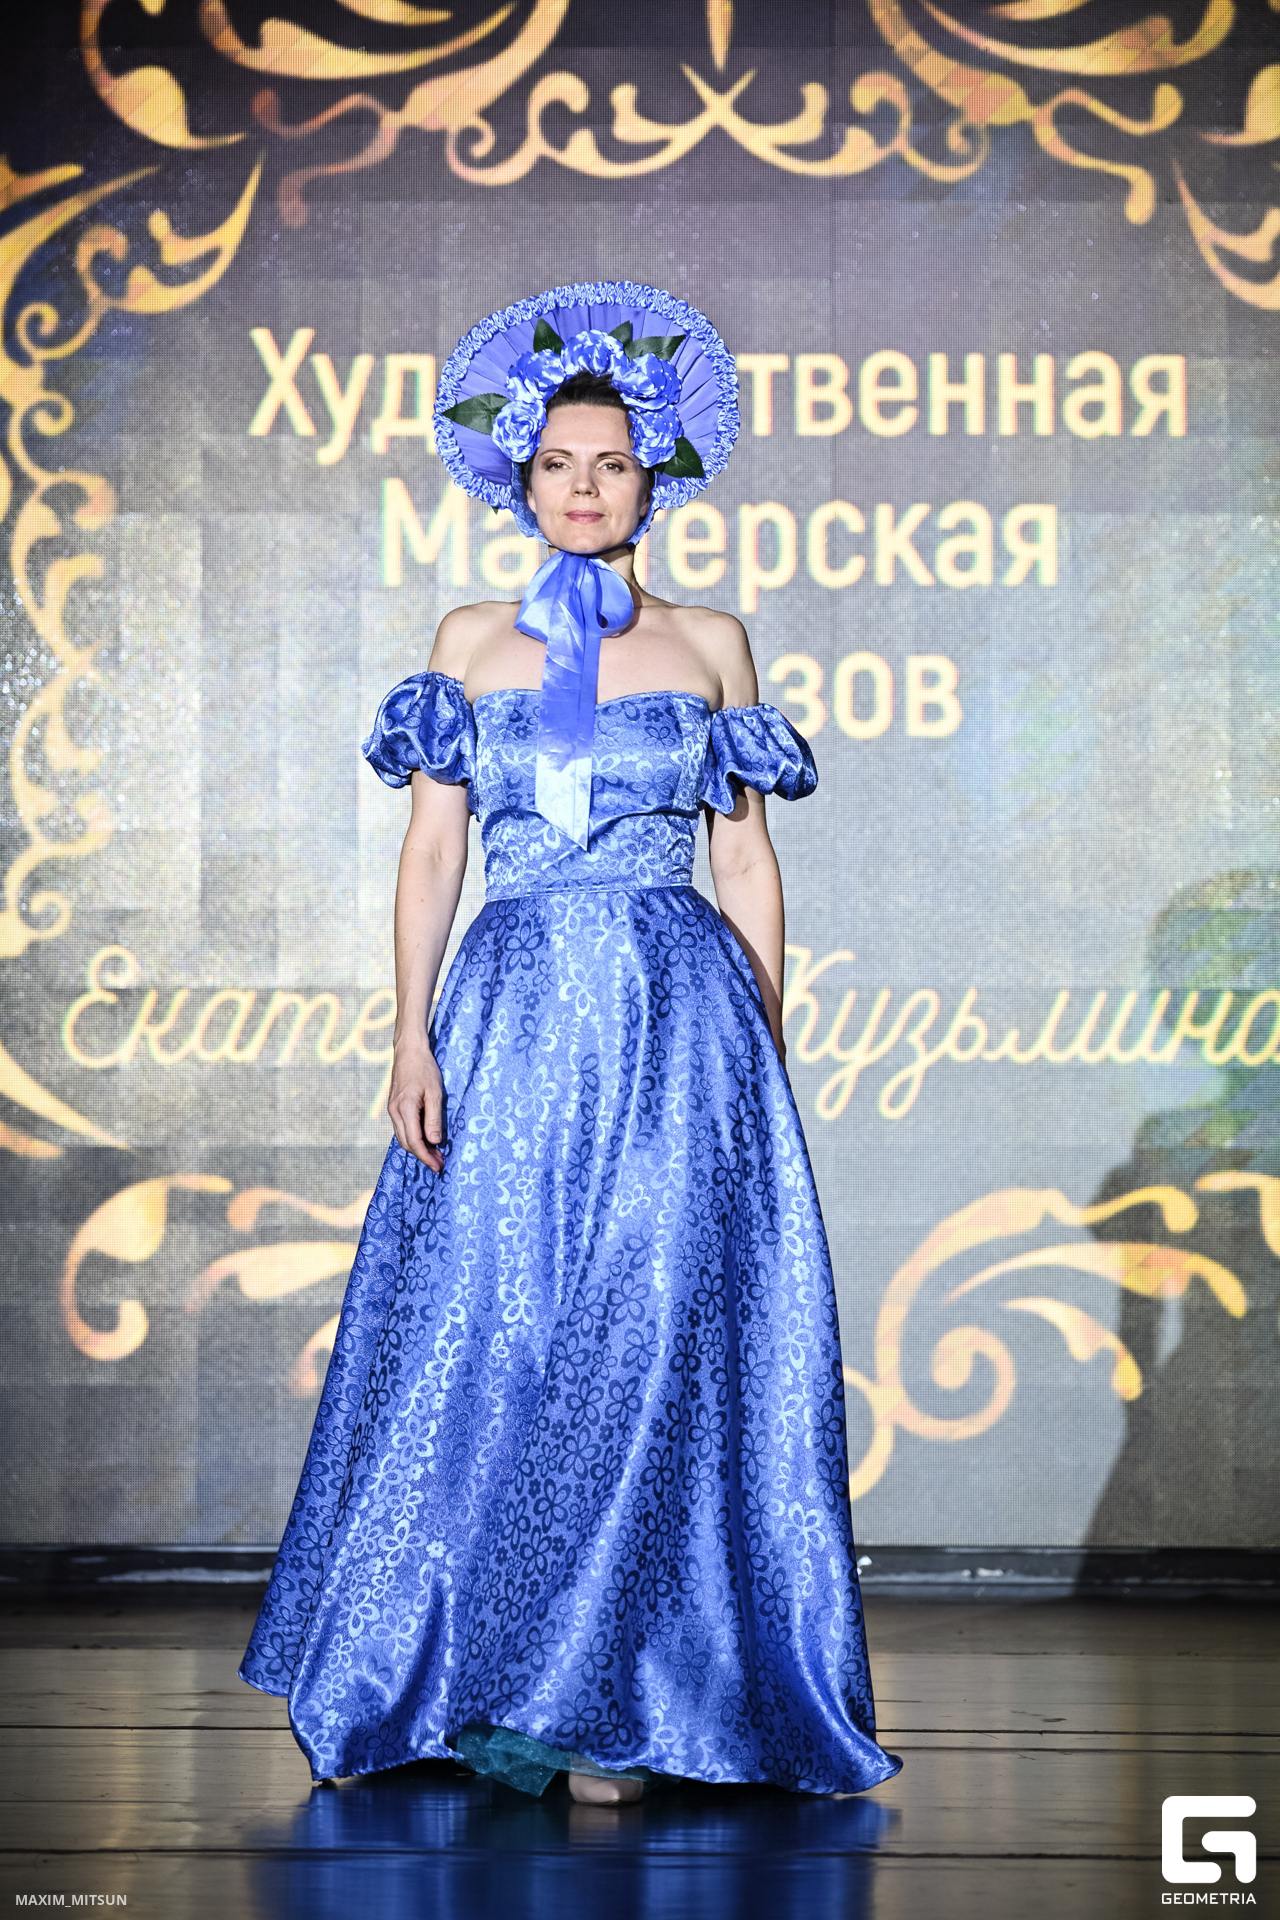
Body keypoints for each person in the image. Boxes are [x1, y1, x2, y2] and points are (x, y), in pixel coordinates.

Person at [241, 282, 901, 1808]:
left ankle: (612, 1692)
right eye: (558, 465)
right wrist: (408, 1032)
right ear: (520, 482)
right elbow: (432, 854)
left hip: (679, 1018)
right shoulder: (470, 640)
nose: (585, 488)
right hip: (514, 1007)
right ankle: (466, 1679)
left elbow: (745, 858)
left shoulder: (713, 641)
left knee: (652, 1337)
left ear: (653, 481)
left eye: (611, 465)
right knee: (495, 1333)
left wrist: (760, 1043)